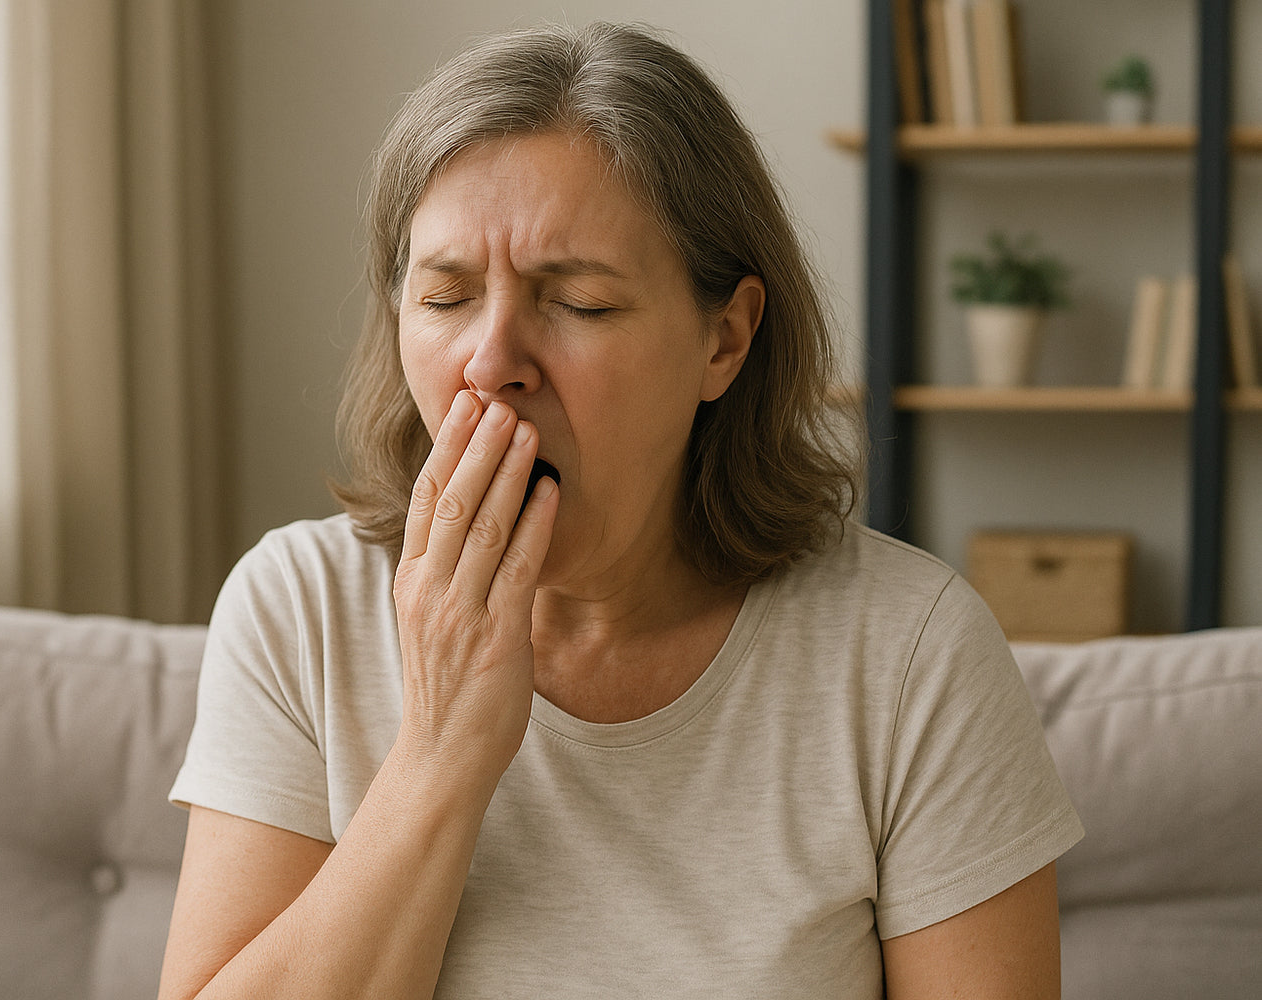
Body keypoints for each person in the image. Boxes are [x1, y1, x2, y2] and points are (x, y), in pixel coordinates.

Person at [157, 21, 1083, 1000]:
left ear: (725, 340)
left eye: (581, 304)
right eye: (445, 298)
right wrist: (438, 751)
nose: (489, 363)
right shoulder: (298, 609)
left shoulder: (911, 653)